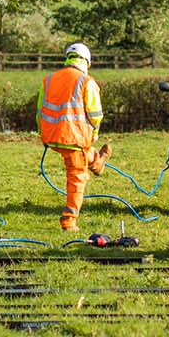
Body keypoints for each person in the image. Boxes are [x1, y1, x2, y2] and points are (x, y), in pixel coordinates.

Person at [38, 42, 109, 231]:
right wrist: (93, 133)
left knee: (80, 154)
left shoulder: (49, 79)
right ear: (86, 61)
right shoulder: (87, 82)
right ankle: (69, 220)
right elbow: (95, 115)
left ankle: (97, 162)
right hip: (73, 139)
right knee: (77, 176)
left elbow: (39, 112)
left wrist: (43, 133)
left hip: (52, 136)